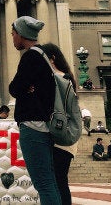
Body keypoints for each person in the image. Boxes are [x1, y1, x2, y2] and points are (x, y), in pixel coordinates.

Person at [8, 16, 61, 204]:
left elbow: (14, 88)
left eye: (13, 34)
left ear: (21, 35)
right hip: (43, 125)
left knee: (43, 183)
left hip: (33, 126)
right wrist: (26, 88)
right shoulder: (43, 56)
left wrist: (22, 88)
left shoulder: (31, 57)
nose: (12, 38)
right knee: (50, 182)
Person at [41, 43, 78, 205]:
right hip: (64, 136)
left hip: (62, 135)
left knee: (59, 180)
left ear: (52, 59)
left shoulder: (61, 78)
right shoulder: (64, 77)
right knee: (59, 180)